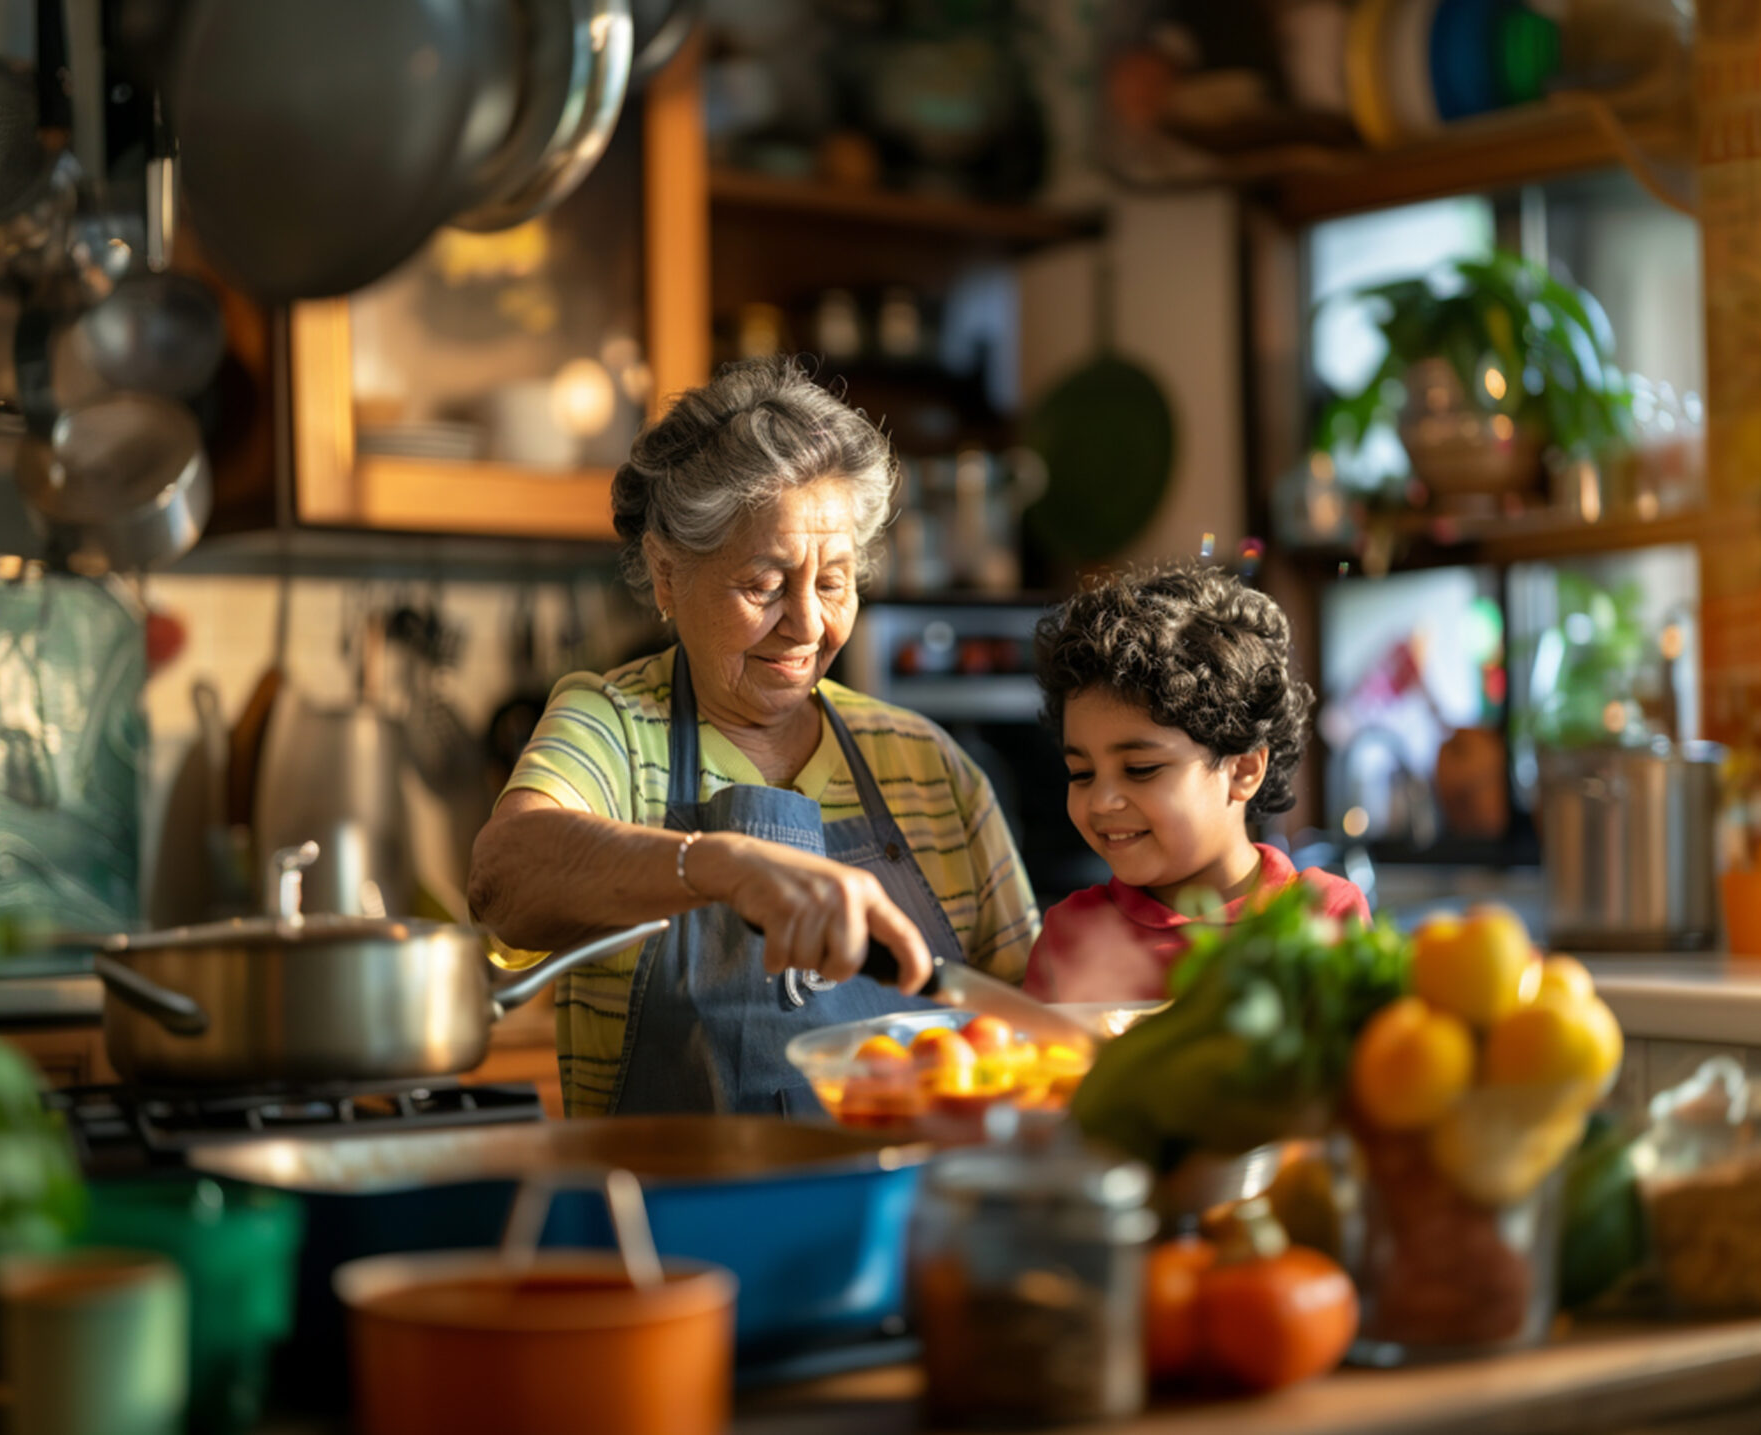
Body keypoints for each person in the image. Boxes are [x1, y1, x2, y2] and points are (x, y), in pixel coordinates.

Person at [468, 358, 1041, 1117]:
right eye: (765, 584)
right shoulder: (612, 726)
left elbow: (1030, 1023)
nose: (807, 624)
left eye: (834, 582)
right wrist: (718, 865)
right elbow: (503, 879)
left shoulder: (927, 763)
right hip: (672, 1224)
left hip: (900, 1221)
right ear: (668, 575)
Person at [1023, 561, 1367, 1002]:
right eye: (1082, 774)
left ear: (1243, 770)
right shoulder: (1069, 936)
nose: (1103, 801)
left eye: (1140, 769)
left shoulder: (1324, 914)